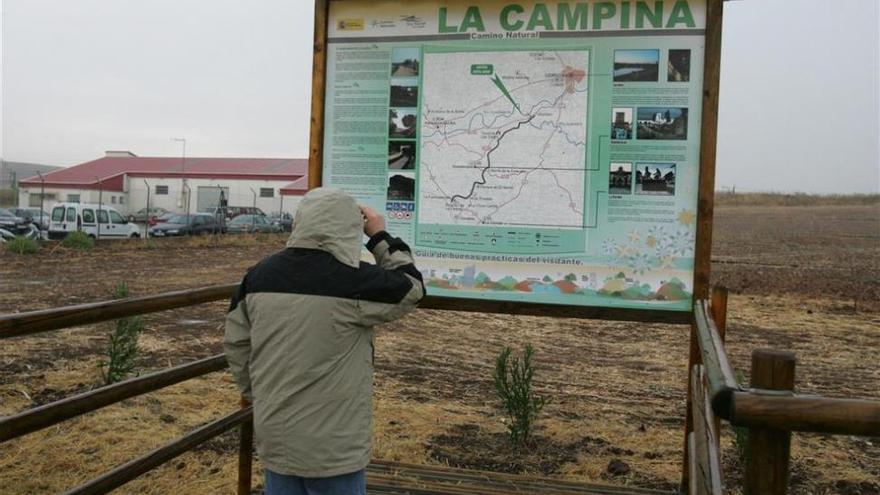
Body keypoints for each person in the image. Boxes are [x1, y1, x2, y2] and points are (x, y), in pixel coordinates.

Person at [224, 188, 424, 495]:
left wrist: (259, 395)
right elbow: (411, 287)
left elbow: (237, 345)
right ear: (349, 228)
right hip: (335, 447)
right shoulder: (354, 279)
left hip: (276, 435)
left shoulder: (258, 276)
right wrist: (379, 235)